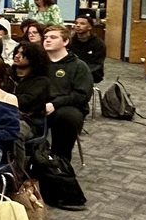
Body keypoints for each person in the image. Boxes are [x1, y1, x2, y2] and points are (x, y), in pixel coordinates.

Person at [42, 25, 92, 164]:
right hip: (41, 105)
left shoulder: (78, 65)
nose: (47, 40)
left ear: (65, 42)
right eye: (45, 37)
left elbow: (81, 95)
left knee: (66, 117)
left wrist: (55, 104)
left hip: (67, 106)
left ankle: (60, 162)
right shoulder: (39, 63)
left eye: (53, 37)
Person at [10, 41, 52, 137]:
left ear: (34, 58)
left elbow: (27, 101)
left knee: (15, 132)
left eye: (23, 54)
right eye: (17, 52)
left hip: (29, 121)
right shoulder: (7, 75)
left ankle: (17, 153)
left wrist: (1, 96)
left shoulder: (41, 81)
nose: (17, 56)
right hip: (3, 114)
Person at [69, 15, 106, 83]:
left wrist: (80, 72)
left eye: (82, 24)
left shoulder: (98, 43)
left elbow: (97, 63)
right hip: (71, 71)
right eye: (76, 23)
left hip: (92, 72)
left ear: (90, 27)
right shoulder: (70, 41)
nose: (78, 25)